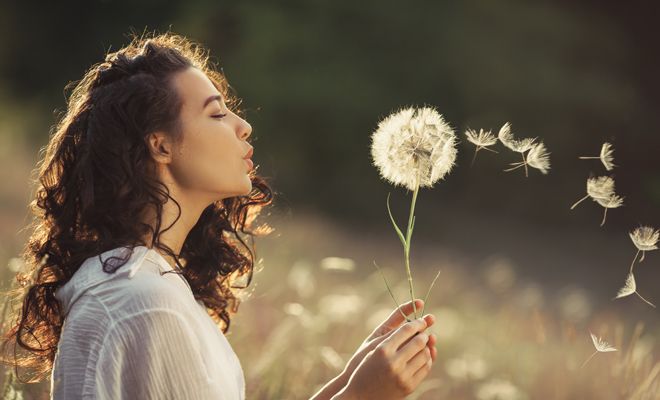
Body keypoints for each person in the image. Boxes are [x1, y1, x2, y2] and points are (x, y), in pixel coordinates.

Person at [0, 31, 437, 399]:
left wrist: (347, 380)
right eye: (215, 113)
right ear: (161, 145)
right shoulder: (145, 305)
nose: (242, 126)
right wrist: (359, 397)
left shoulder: (143, 284)